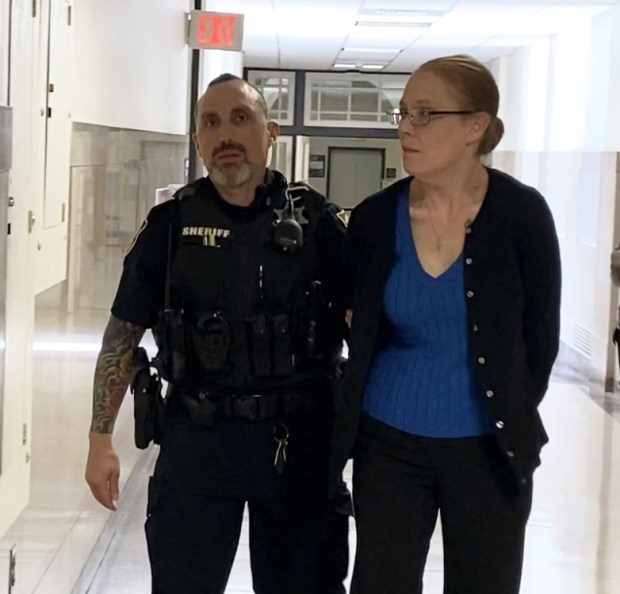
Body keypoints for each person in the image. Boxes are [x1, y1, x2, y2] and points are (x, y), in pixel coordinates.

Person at [85, 73, 350, 594]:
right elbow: (120, 337)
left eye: (240, 118)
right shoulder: (169, 225)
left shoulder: (318, 223)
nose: (226, 134)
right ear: (198, 141)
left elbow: (365, 330)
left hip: (298, 443)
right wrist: (99, 440)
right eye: (211, 122)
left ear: (270, 132)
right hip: (198, 440)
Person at [329, 54, 561, 594]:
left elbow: (539, 343)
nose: (406, 127)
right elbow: (354, 323)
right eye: (404, 113)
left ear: (475, 126)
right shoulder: (373, 218)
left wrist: (507, 405)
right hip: (388, 443)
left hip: (489, 447)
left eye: (426, 114)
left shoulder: (522, 216)